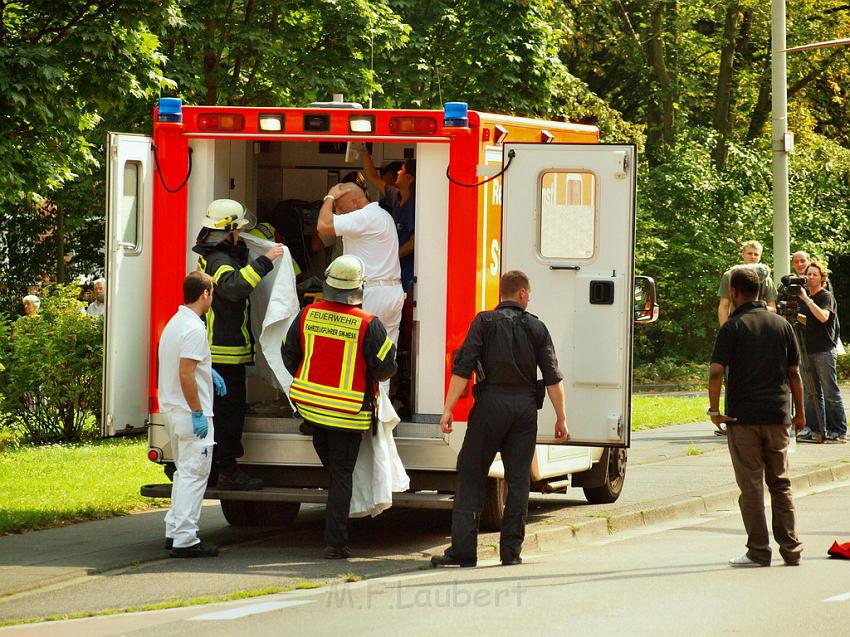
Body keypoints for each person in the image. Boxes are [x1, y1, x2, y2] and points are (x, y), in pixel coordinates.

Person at [431, 271, 568, 569]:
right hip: (524, 410)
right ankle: (511, 552)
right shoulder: (537, 327)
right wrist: (561, 419)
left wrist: (448, 408)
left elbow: (464, 367)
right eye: (528, 294)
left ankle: (464, 551)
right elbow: (552, 378)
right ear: (521, 294)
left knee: (471, 473)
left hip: (490, 407)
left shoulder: (483, 322)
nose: (529, 298)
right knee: (518, 481)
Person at [282, 255, 397, 559]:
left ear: (330, 283)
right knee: (341, 476)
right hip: (348, 415)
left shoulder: (307, 314)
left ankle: (335, 531)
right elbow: (387, 367)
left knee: (335, 474)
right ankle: (335, 543)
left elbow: (288, 354)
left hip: (310, 410)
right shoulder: (368, 324)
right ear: (359, 288)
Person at [708, 267, 804, 567]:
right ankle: (791, 549)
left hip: (743, 418)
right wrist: (799, 413)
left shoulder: (732, 328)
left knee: (751, 485)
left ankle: (759, 550)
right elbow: (794, 374)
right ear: (761, 291)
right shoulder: (782, 325)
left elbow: (715, 371)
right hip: (778, 416)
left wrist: (714, 410)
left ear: (734, 292)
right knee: (781, 484)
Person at [193, 198, 285, 490]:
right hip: (224, 353)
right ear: (228, 230)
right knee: (229, 417)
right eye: (239, 229)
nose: (242, 232)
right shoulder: (219, 259)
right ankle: (228, 470)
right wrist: (265, 260)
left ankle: (215, 470)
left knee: (224, 415)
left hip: (226, 351)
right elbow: (234, 288)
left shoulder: (219, 253)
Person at [158, 271, 227, 558]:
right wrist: (198, 411)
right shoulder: (196, 329)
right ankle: (186, 539)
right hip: (191, 414)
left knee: (183, 474)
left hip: (173, 412)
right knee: (194, 475)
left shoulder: (175, 324)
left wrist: (206, 371)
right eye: (212, 294)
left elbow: (184, 366)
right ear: (205, 294)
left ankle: (174, 529)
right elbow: (186, 373)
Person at [316, 182, 404, 396]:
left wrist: (328, 196)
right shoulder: (382, 215)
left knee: (357, 354)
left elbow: (324, 225)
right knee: (384, 358)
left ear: (355, 202)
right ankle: (382, 418)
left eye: (339, 206)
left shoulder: (365, 217)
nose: (338, 212)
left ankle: (358, 409)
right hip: (391, 292)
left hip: (371, 293)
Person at [796, 262, 847, 443]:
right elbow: (810, 321)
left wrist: (806, 300)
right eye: (808, 274)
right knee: (811, 393)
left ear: (822, 278)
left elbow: (823, 317)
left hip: (824, 350)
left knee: (829, 392)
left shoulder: (826, 297)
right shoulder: (806, 298)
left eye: (814, 275)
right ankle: (816, 428)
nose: (810, 278)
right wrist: (794, 314)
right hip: (807, 350)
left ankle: (839, 430)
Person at [717, 240, 777, 326]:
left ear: (760, 257)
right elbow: (724, 306)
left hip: (761, 324)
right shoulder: (730, 275)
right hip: (737, 323)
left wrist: (757, 308)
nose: (752, 257)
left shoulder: (766, 279)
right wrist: (724, 330)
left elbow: (773, 308)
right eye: (749, 253)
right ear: (743, 254)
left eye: (756, 254)